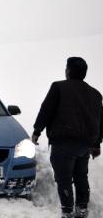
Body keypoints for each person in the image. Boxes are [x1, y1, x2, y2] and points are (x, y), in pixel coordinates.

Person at [32, 57, 103, 218]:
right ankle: (82, 209)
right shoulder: (95, 94)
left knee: (64, 179)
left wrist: (37, 131)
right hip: (85, 145)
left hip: (63, 142)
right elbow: (100, 120)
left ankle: (67, 211)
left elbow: (46, 110)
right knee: (81, 177)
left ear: (69, 71)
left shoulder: (58, 87)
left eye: (66, 68)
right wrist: (97, 143)